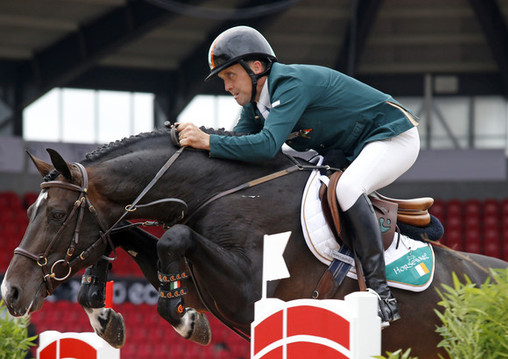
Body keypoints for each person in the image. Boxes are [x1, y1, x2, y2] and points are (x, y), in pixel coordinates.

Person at [176, 26, 420, 326]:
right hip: (353, 147)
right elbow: (237, 150)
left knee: (348, 188)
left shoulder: (289, 83)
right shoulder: (256, 106)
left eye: (230, 76)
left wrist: (207, 141)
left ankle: (382, 295)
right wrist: (193, 151)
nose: (226, 86)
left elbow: (266, 147)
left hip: (392, 135)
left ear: (256, 67)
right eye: (224, 79)